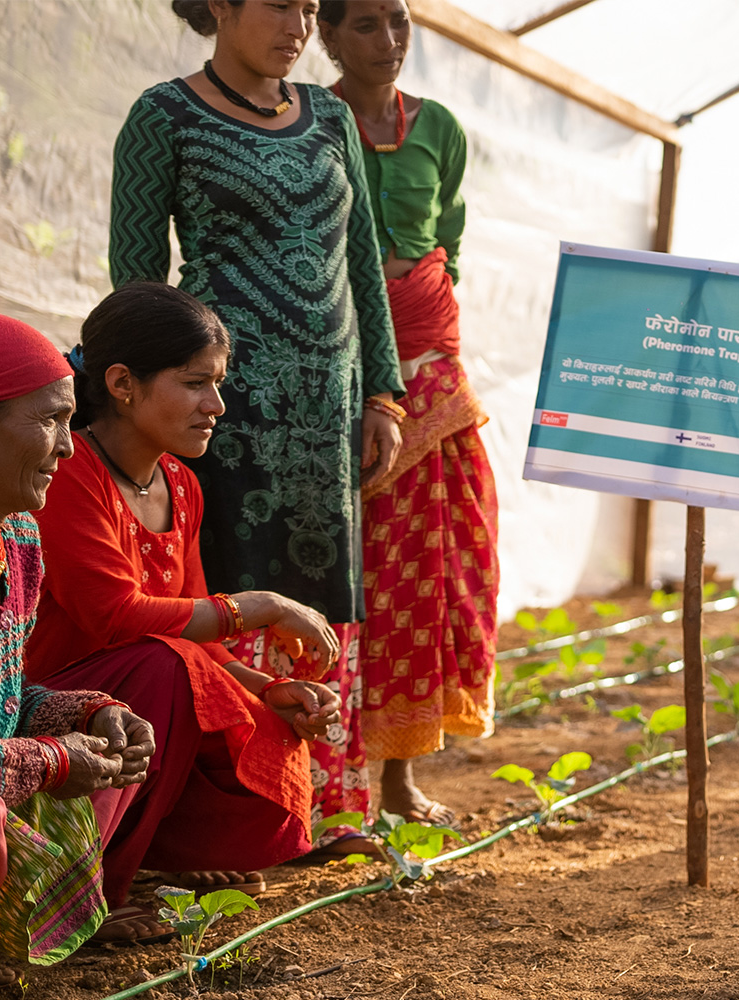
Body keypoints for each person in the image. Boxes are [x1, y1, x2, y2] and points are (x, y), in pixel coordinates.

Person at [108, 0, 405, 848]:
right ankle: (236, 813)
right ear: (222, 7)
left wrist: (382, 391)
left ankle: (326, 808)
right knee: (229, 583)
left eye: (311, 8)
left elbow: (362, 261)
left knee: (328, 590)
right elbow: (137, 285)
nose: (300, 25)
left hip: (329, 403)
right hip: (222, 411)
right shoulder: (163, 115)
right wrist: (151, 409)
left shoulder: (332, 118)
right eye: (279, 5)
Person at [24, 283, 345, 907]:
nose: (217, 404)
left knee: (255, 717)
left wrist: (267, 689)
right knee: (164, 668)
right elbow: (115, 617)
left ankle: (144, 858)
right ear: (122, 384)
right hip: (48, 704)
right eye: (196, 383)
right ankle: (82, 897)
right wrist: (262, 605)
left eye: (218, 383)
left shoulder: (181, 484)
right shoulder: (70, 475)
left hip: (140, 700)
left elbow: (189, 628)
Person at [0, 308, 157, 988]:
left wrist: (84, 715)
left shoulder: (21, 541)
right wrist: (53, 762)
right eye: (51, 420)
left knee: (113, 753)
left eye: (70, 419)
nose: (67, 446)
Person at [317, 0, 498, 824]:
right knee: (361, 573)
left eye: (399, 22)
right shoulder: (308, 121)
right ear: (326, 35)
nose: (388, 43)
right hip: (340, 364)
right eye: (365, 26)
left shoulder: (441, 130)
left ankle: (398, 779)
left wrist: (416, 319)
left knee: (436, 568)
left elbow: (445, 244)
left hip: (432, 366)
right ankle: (331, 776)